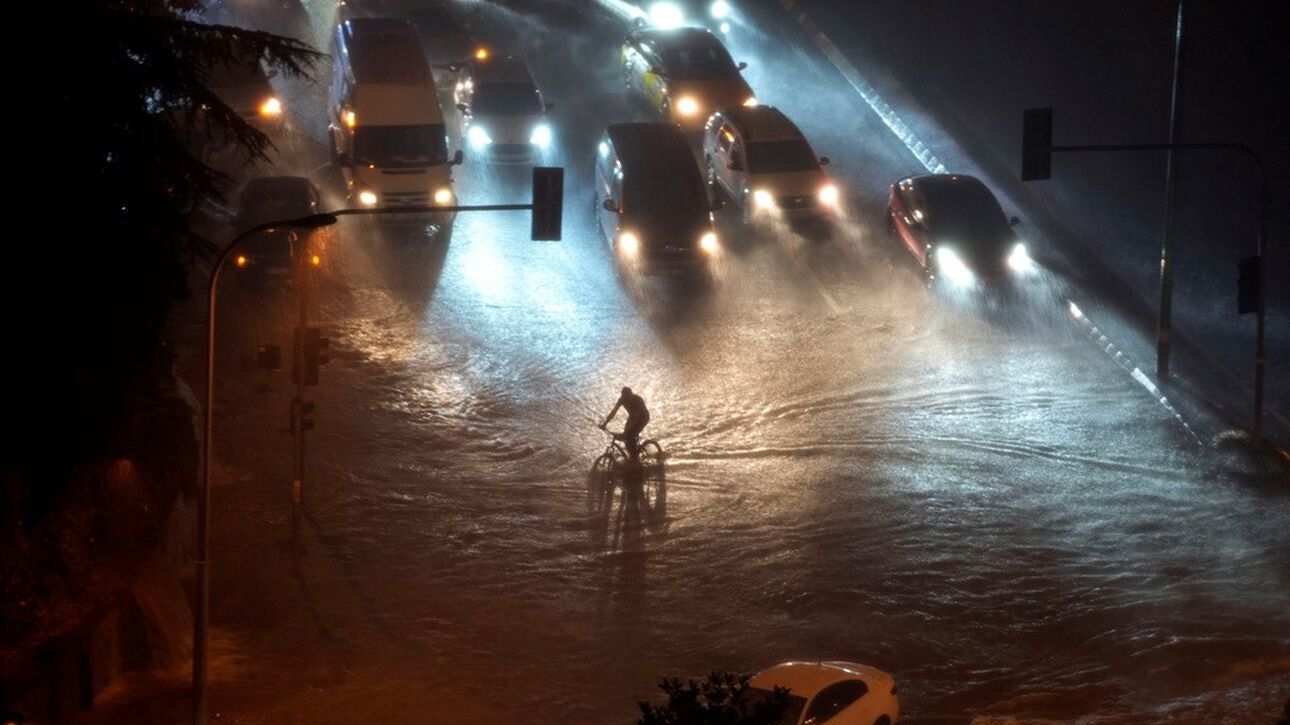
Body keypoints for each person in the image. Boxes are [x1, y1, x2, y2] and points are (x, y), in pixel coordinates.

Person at [600, 386, 650, 462]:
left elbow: (638, 414)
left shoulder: (637, 399)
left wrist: (631, 427)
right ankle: (632, 453)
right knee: (626, 436)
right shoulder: (622, 400)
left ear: (631, 394)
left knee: (630, 435)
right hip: (632, 416)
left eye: (628, 396)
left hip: (643, 417)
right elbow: (614, 412)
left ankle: (635, 458)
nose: (626, 398)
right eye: (624, 396)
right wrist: (605, 423)